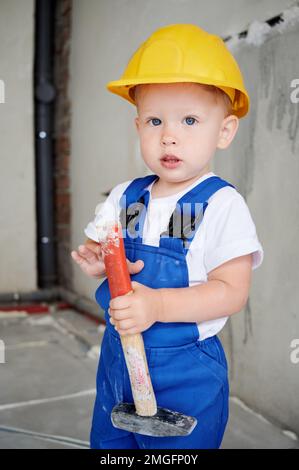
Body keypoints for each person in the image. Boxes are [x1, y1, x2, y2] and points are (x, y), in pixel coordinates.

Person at [71, 24, 264, 449]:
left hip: (184, 373)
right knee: (112, 447)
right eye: (155, 120)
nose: (169, 135)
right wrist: (99, 262)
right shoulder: (128, 196)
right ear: (138, 123)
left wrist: (157, 304)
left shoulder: (218, 205)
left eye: (190, 120)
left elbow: (231, 292)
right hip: (119, 362)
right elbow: (105, 254)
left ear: (225, 131)